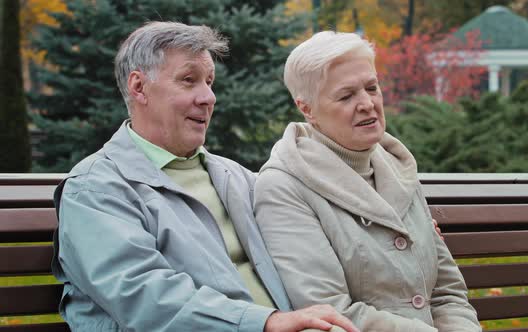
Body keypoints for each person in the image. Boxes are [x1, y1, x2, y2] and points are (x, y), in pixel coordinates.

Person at [51, 21, 359, 332]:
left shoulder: (236, 178)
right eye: (189, 80)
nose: (208, 97)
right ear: (139, 87)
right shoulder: (95, 190)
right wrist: (266, 323)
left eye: (209, 82)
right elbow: (145, 298)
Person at [254, 31, 482, 331]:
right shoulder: (284, 186)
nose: (367, 104)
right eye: (347, 96)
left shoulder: (398, 165)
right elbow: (332, 311)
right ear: (306, 108)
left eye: (372, 88)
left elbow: (447, 292)